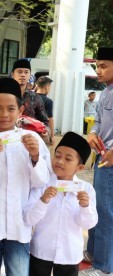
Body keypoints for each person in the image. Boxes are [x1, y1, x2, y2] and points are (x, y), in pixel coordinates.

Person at [0, 77, 51, 276]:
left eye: (11, 109)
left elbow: (41, 182)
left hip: (19, 225)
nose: (4, 114)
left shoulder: (32, 141)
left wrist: (35, 156)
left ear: (20, 110)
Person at [25, 131, 97, 276]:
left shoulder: (86, 189)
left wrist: (85, 207)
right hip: (41, 250)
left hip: (69, 254)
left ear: (80, 167)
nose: (60, 161)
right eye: (57, 155)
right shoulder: (43, 184)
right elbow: (29, 219)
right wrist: (43, 201)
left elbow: (88, 224)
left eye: (68, 158)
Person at [84, 47, 113, 276]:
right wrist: (92, 133)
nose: (98, 70)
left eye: (104, 65)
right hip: (102, 158)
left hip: (110, 161)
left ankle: (103, 267)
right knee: (97, 206)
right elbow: (98, 120)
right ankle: (94, 254)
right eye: (97, 65)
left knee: (105, 212)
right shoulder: (105, 92)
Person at [11, 59, 49, 128]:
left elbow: (45, 121)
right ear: (13, 74)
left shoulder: (35, 97)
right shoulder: (6, 95)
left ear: (30, 75)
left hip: (30, 136)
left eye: (26, 72)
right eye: (19, 72)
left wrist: (45, 131)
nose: (23, 75)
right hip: (8, 135)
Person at [35, 76, 54, 145]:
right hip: (43, 132)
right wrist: (52, 136)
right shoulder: (48, 101)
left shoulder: (29, 97)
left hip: (28, 129)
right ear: (46, 87)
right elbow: (50, 119)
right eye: (50, 87)